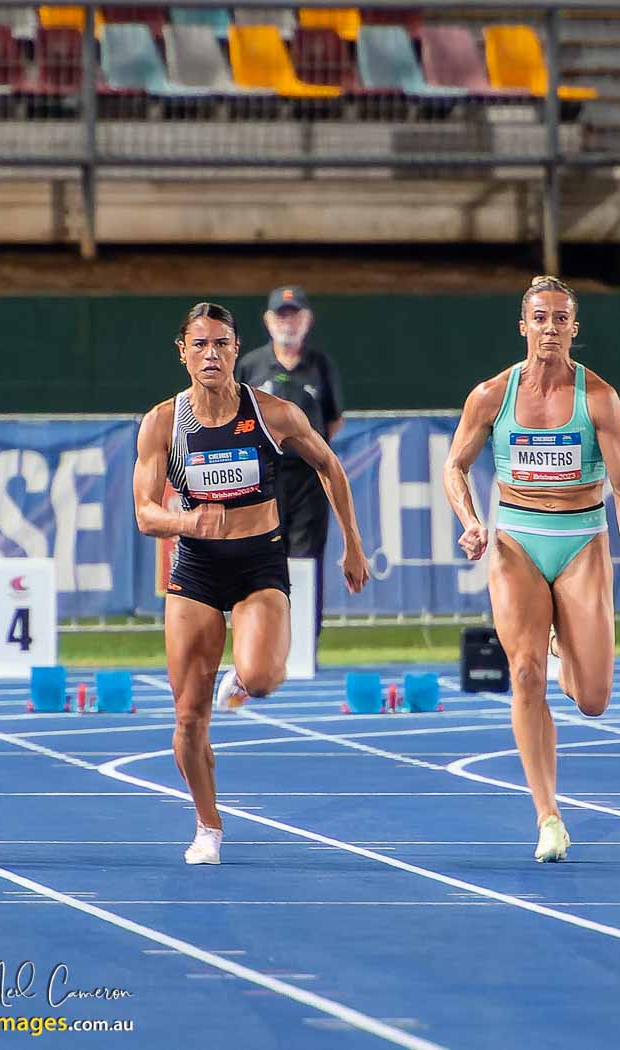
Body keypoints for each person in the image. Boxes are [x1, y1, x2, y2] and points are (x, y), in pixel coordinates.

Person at [133, 302, 369, 866]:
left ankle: (241, 676)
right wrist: (189, 520)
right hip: (195, 567)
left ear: (237, 350)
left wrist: (353, 544)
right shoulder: (164, 423)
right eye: (199, 345)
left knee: (263, 678)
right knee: (188, 717)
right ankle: (207, 827)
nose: (210, 354)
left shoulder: (272, 414)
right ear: (182, 352)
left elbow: (330, 466)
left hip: (259, 561)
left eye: (221, 344)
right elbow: (145, 514)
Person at [443, 275, 620, 864]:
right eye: (540, 317)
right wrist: (471, 520)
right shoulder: (490, 395)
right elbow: (454, 468)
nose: (550, 328)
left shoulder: (598, 397)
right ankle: (548, 816)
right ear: (523, 325)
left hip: (582, 539)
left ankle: (564, 645)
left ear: (574, 329)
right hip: (516, 539)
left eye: (561, 318)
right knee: (524, 672)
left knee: (592, 700)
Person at [234, 285, 344, 641]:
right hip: (264, 476)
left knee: (305, 558)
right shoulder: (251, 365)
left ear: (307, 320)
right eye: (281, 315)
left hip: (309, 476)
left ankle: (302, 642)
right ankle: (260, 642)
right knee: (262, 556)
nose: (288, 322)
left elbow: (333, 420)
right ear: (268, 321)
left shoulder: (321, 365)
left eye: (294, 314)